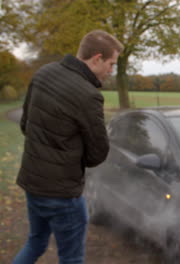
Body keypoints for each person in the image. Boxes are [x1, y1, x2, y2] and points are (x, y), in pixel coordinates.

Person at [13, 30, 123, 264]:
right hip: (63, 195)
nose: (111, 71)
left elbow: (26, 125)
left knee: (35, 242)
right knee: (71, 258)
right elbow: (97, 154)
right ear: (97, 58)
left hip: (32, 184)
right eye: (111, 64)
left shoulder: (44, 73)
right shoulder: (88, 95)